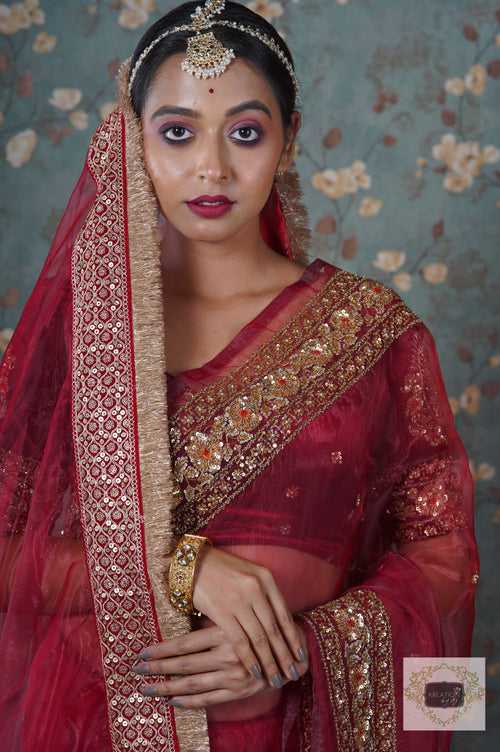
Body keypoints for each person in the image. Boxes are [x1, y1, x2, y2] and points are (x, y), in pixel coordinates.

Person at [0, 1, 479, 750]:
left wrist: (300, 652)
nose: (212, 167)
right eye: (178, 132)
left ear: (288, 142)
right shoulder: (80, 337)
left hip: (298, 727)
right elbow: (9, 556)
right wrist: (185, 570)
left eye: (246, 133)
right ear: (134, 141)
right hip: (105, 725)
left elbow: (446, 562)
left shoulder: (375, 333)